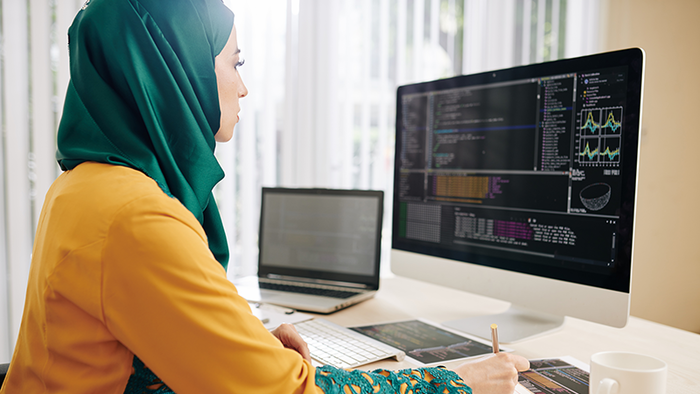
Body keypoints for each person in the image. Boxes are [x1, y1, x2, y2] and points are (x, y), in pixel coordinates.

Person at [0, 0, 529, 393]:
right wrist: (458, 383)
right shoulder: (135, 216)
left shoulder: (84, 185)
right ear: (173, 69)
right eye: (235, 63)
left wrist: (240, 343)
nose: (243, 88)